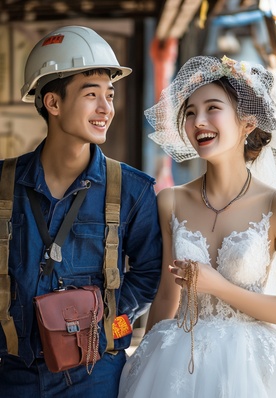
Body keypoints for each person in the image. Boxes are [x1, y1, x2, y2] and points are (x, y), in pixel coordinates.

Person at [118, 55, 276, 397]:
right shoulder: (169, 200)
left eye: (212, 108)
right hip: (176, 361)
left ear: (247, 123)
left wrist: (218, 286)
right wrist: (143, 362)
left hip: (252, 367)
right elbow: (166, 297)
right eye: (189, 112)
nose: (198, 121)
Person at [0, 26, 162, 398]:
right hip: (13, 375)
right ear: (53, 104)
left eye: (110, 95)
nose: (106, 108)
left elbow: (150, 272)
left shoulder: (133, 191)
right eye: (92, 95)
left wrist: (110, 326)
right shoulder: (4, 183)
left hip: (97, 376)